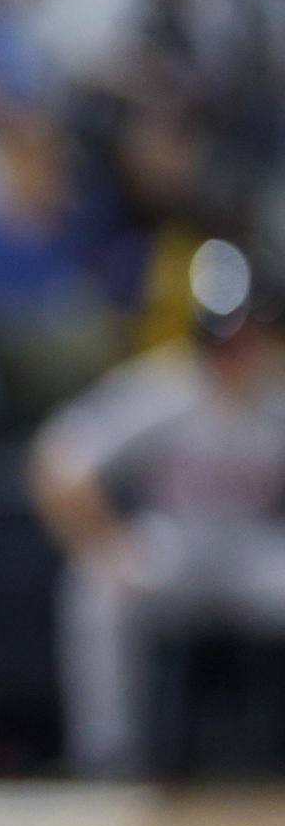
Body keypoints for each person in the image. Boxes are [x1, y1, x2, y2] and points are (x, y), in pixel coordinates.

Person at [30, 238, 285, 778]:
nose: (240, 346)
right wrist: (104, 541)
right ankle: (109, 760)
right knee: (97, 587)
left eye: (249, 332)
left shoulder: (275, 397)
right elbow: (58, 460)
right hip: (176, 546)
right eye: (228, 334)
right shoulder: (164, 388)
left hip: (253, 554)